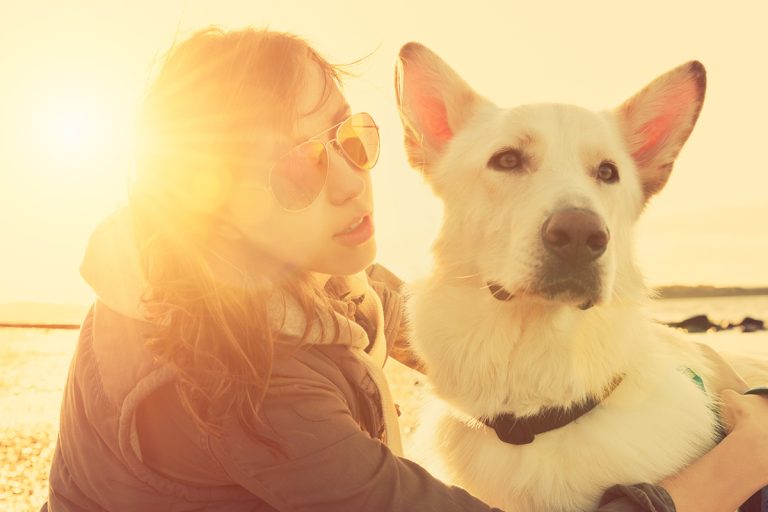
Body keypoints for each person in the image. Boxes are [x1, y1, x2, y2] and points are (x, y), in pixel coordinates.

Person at [42, 26, 768, 512]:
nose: (351, 182)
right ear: (210, 206)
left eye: (349, 137)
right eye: (298, 169)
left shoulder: (304, 281)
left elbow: (445, 323)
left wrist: (712, 374)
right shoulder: (244, 388)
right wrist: (723, 475)